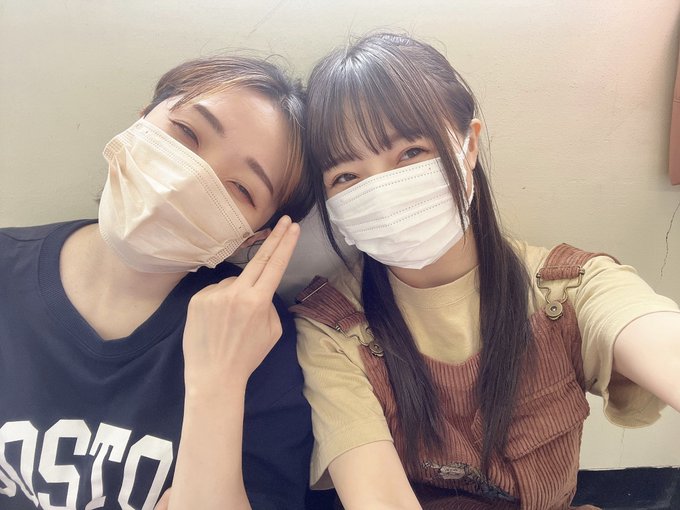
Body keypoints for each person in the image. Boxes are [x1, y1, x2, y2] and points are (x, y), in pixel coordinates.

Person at [294, 32, 680, 509]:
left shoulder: (567, 290)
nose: (383, 190)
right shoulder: (331, 328)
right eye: (346, 176)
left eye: (411, 152)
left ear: (469, 144)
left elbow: (650, 332)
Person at [0, 55, 314, 509]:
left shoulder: (259, 336)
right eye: (186, 132)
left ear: (251, 238)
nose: (185, 181)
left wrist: (217, 382)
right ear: (142, 119)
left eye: (242, 188)